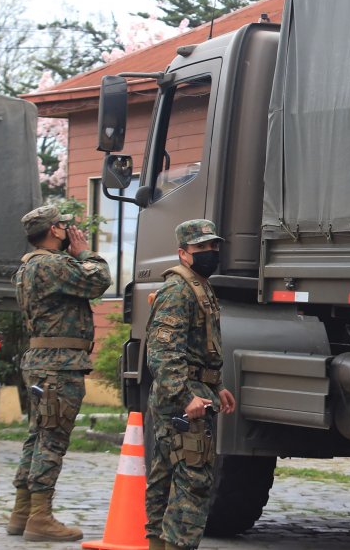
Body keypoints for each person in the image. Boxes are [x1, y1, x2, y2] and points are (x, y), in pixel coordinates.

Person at [6, 204, 111, 542]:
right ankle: (40, 517)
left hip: (40, 360)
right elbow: (99, 280)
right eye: (67, 226)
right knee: (52, 439)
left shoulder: (28, 266)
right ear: (54, 230)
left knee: (37, 435)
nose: (71, 232)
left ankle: (22, 512)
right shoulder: (53, 264)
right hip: (58, 364)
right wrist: (86, 253)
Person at [145, 219, 237, 550]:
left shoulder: (199, 286)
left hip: (196, 391)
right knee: (193, 481)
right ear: (183, 254)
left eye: (213, 247)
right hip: (183, 398)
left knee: (167, 475)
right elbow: (162, 354)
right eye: (201, 249)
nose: (210, 253)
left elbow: (201, 348)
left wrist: (217, 386)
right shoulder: (178, 289)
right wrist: (186, 397)